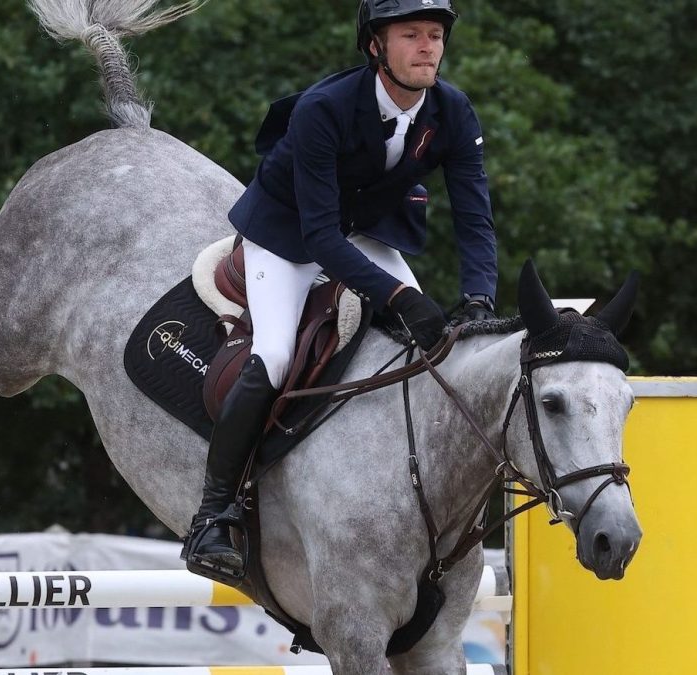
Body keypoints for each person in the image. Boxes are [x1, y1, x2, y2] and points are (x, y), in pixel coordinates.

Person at [184, 0, 499, 576]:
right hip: (288, 234)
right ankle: (214, 513)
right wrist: (402, 299)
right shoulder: (323, 108)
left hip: (369, 231)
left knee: (436, 352)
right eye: (411, 35)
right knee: (275, 355)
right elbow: (321, 236)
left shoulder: (453, 111)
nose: (428, 47)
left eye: (435, 35)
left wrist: (479, 297)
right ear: (376, 46)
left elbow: (475, 218)